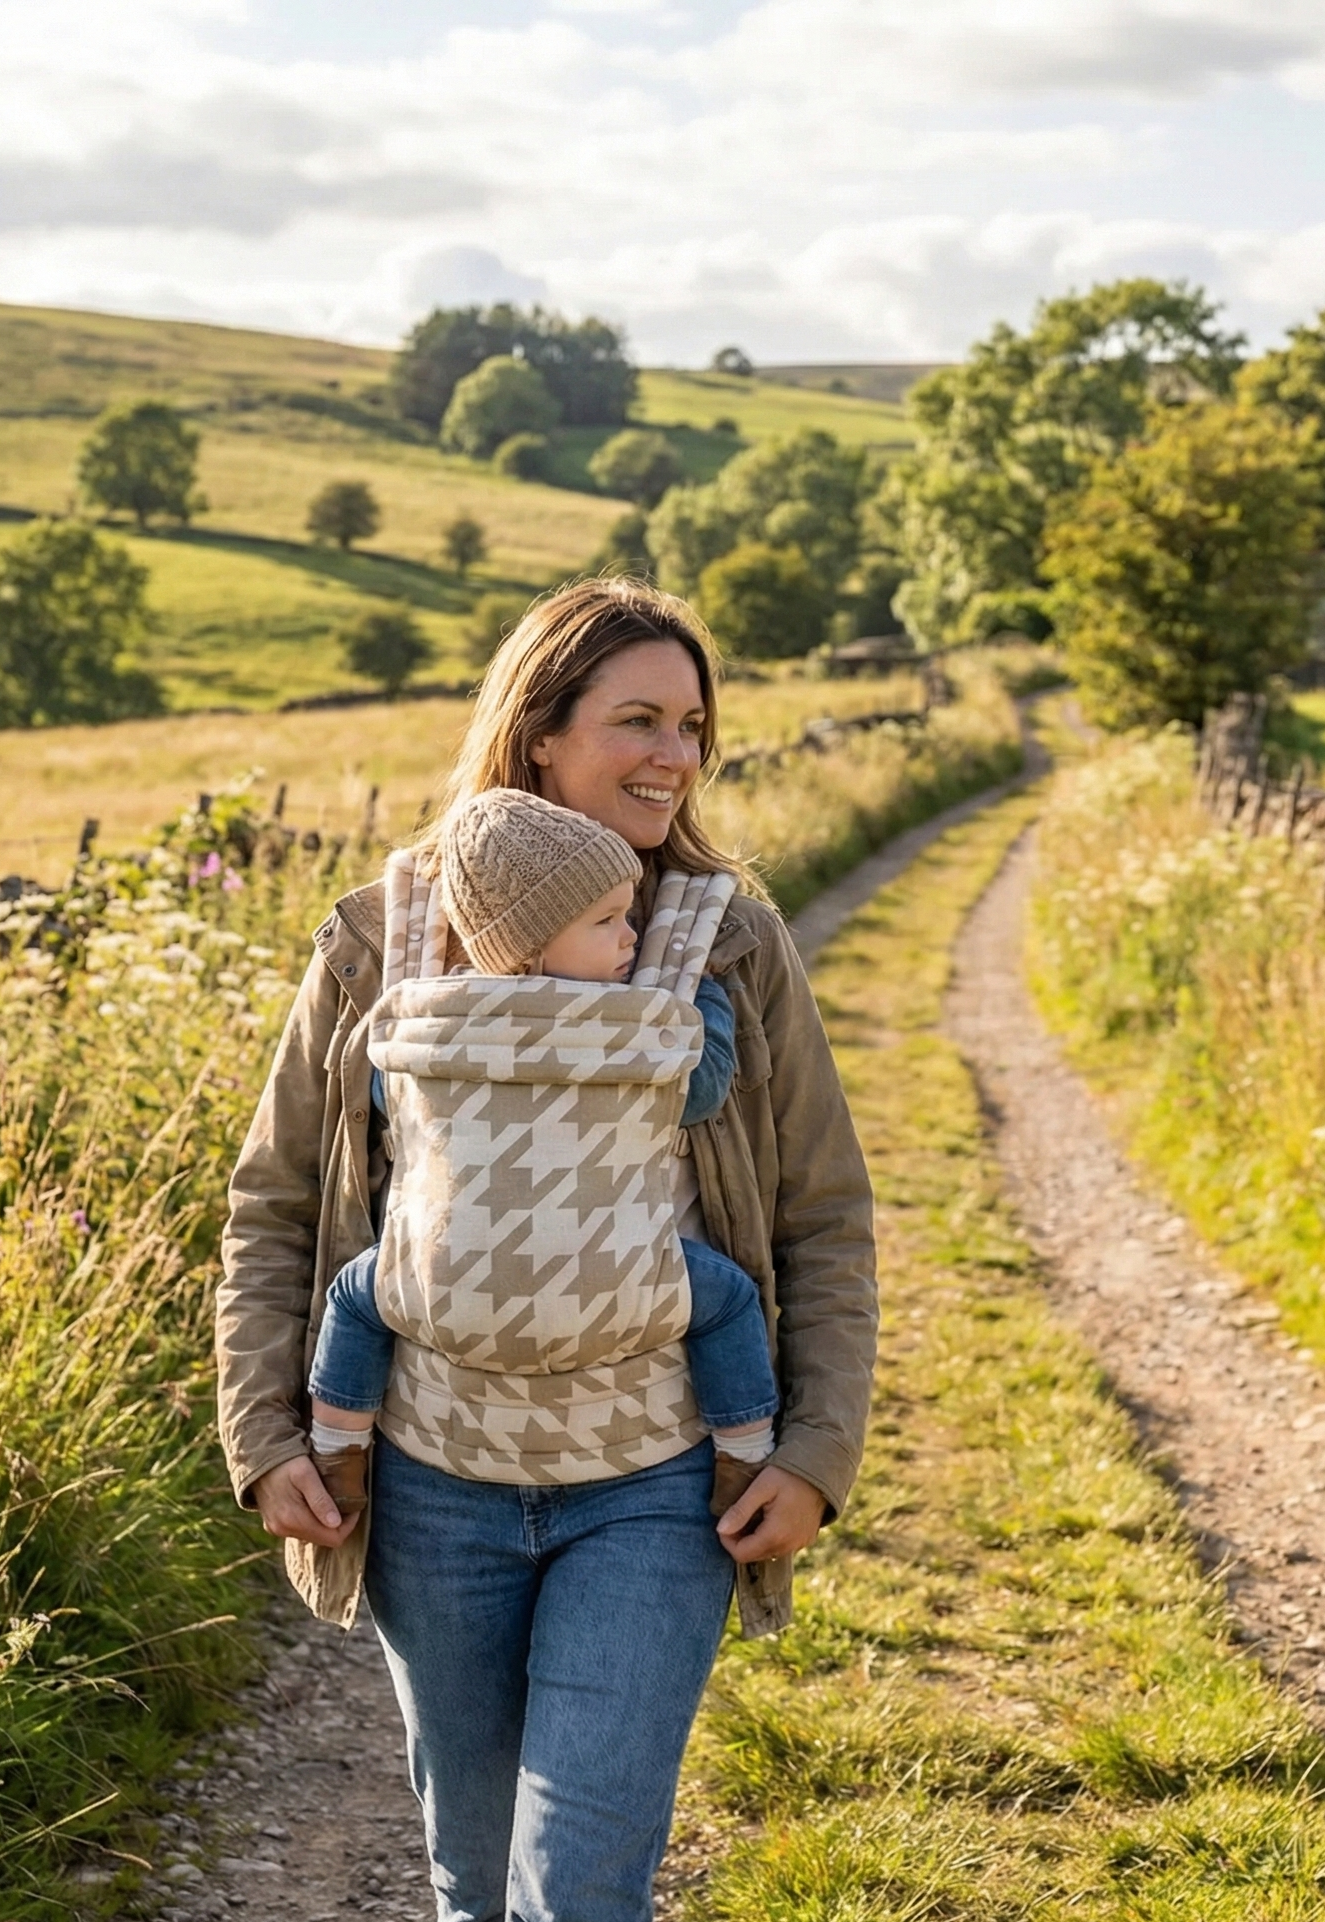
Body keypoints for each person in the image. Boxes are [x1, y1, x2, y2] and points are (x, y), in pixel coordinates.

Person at [215, 577, 878, 1922]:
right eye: (637, 719)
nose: (674, 757)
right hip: (428, 1488)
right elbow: (278, 1201)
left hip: (652, 1488)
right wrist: (265, 1431)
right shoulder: (376, 940)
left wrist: (813, 1451)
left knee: (575, 1889)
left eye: (693, 724)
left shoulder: (726, 944)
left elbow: (822, 1214)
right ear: (537, 738)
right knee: (472, 1880)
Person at [302, 787, 779, 1525]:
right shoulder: (634, 1031)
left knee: (356, 1298)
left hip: (444, 1273)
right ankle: (743, 1455)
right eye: (609, 922)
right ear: (530, 945)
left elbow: (382, 1091)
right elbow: (703, 1089)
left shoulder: (429, 1011)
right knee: (728, 1301)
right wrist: (703, 1002)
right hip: (615, 1271)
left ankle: (339, 1454)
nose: (631, 938)